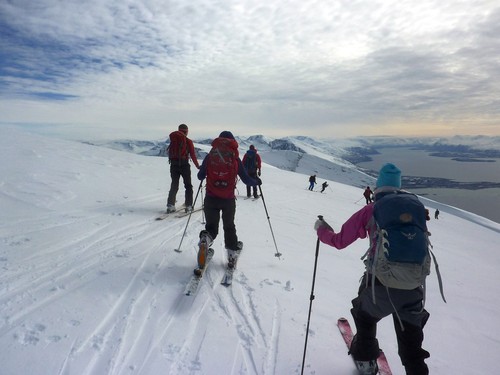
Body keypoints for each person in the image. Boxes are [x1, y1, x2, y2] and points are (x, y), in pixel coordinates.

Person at [314, 163, 431, 375]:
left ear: (378, 187)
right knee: (412, 345)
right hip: (414, 288)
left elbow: (340, 241)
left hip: (381, 286)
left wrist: (322, 231)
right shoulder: (416, 209)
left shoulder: (372, 210)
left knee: (364, 315)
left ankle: (366, 361)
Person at [196, 131, 261, 273]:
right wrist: (256, 181)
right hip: (228, 200)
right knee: (229, 226)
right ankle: (231, 256)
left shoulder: (210, 156)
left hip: (211, 198)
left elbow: (200, 175)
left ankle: (205, 241)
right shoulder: (235, 158)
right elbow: (246, 179)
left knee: (212, 227)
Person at [166, 124, 200, 213]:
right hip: (184, 165)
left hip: (173, 165)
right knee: (188, 185)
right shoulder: (188, 141)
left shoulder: (173, 140)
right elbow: (192, 155)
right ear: (186, 131)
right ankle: (189, 205)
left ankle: (170, 205)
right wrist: (197, 166)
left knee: (174, 184)